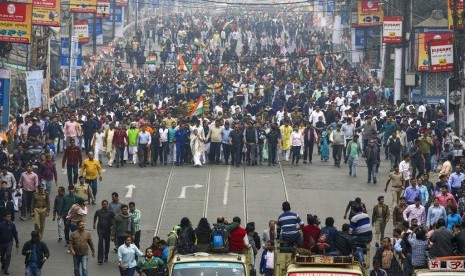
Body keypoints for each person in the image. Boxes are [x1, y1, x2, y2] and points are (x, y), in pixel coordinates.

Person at [93, 200, 114, 264]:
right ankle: (100, 259)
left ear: (107, 205)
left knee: (107, 243)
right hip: (100, 229)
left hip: (108, 230)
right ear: (102, 205)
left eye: (106, 204)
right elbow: (95, 217)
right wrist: (94, 224)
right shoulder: (98, 211)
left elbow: (115, 219)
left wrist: (113, 227)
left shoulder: (110, 212)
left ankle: (106, 256)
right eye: (103, 204)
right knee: (100, 243)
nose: (105, 205)